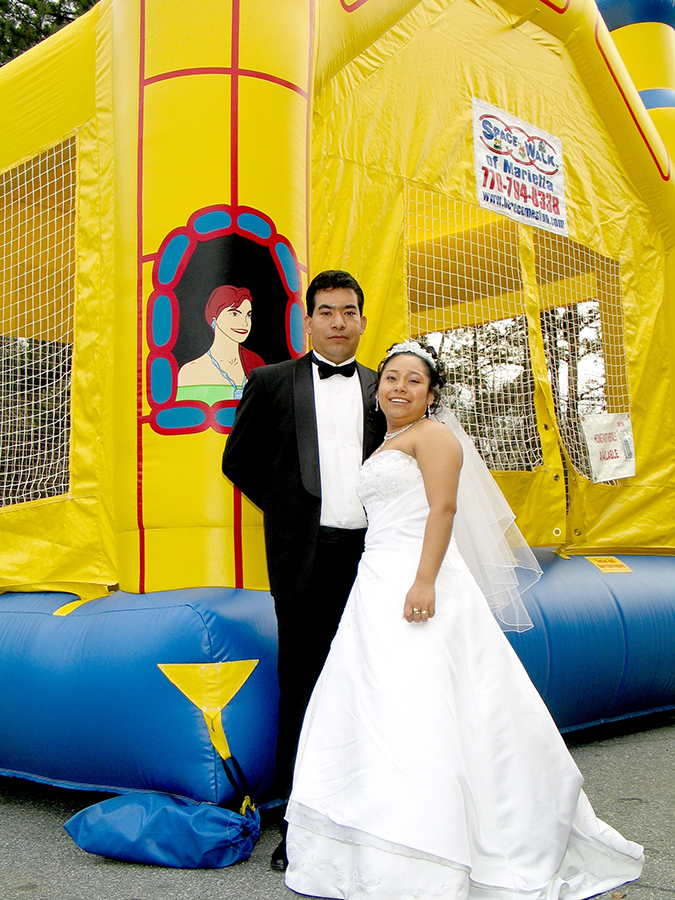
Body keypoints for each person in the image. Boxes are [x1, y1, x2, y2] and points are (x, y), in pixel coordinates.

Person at [284, 339, 645, 900]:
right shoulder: (389, 441)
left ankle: (444, 844)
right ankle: (371, 837)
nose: (399, 387)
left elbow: (445, 508)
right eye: (392, 378)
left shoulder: (434, 436)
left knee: (427, 705)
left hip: (418, 581)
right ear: (379, 388)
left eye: (414, 381)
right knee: (374, 700)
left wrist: (424, 578)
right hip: (375, 582)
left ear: (432, 395)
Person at [221, 270, 384, 871]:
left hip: (375, 563)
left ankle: (371, 819)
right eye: (327, 312)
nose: (339, 322)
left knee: (373, 686)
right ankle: (300, 825)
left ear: (362, 320)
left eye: (349, 311)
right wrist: (293, 512)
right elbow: (238, 462)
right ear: (307, 320)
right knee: (305, 691)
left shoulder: (384, 387)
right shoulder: (268, 383)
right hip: (304, 561)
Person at [177, 284, 264, 403]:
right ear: (215, 318)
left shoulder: (256, 364)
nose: (244, 323)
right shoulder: (190, 372)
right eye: (234, 313)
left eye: (248, 315)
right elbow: (185, 417)